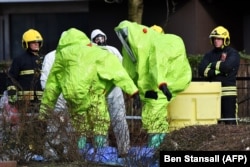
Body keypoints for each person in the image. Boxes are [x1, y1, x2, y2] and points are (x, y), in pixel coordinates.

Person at [38, 28, 140, 152]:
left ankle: (81, 154)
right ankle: (101, 153)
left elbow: (51, 86)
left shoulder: (61, 56)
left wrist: (43, 114)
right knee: (100, 124)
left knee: (80, 127)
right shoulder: (96, 52)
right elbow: (118, 72)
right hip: (95, 93)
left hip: (73, 98)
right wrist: (133, 91)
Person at [114, 20, 192, 148]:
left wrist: (162, 84)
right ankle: (159, 146)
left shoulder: (160, 44)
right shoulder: (133, 49)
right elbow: (129, 72)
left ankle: (158, 147)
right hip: (154, 86)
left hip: (166, 82)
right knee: (151, 115)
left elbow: (158, 63)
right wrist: (134, 91)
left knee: (154, 114)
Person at [90, 29, 130, 156]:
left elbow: (122, 67)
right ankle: (101, 151)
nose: (99, 40)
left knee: (119, 118)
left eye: (101, 37)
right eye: (96, 38)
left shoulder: (112, 50)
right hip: (98, 89)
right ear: (93, 41)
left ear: (105, 37)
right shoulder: (91, 52)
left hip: (114, 87)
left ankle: (124, 149)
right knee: (99, 120)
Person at [6, 28, 45, 155]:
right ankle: (26, 152)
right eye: (33, 42)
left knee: (40, 126)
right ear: (26, 44)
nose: (36, 44)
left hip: (41, 101)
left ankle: (39, 151)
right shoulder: (19, 60)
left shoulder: (44, 60)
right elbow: (11, 78)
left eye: (38, 42)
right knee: (26, 127)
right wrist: (12, 93)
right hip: (25, 102)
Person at [198, 26, 240, 125]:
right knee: (211, 123)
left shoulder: (232, 53)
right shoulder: (209, 54)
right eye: (214, 38)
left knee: (230, 123)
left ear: (225, 39)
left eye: (219, 38)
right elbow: (201, 70)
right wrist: (218, 70)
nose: (216, 41)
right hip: (211, 92)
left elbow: (226, 67)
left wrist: (211, 65)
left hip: (228, 93)